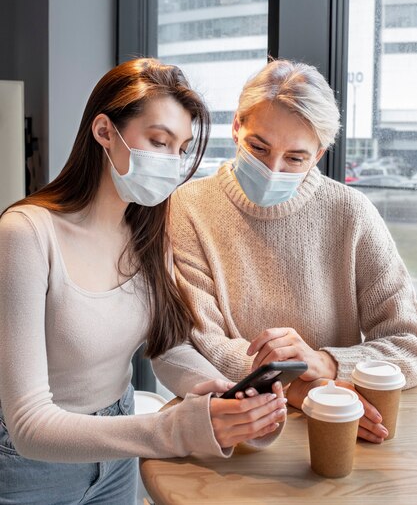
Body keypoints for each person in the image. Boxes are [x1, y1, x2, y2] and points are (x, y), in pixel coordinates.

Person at [0, 58, 287, 505]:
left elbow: (164, 346)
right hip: (33, 469)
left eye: (180, 148)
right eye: (158, 141)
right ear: (103, 131)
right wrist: (178, 429)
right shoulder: (26, 234)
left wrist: (215, 390)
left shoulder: (148, 231)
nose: (172, 163)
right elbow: (30, 427)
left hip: (119, 453)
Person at [153, 58, 417, 445]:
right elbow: (200, 342)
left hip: (338, 423)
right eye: (258, 147)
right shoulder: (187, 208)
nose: (272, 169)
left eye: (295, 158)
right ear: (237, 127)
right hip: (242, 425)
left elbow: (407, 342)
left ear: (320, 153)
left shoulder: (351, 212)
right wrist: (297, 386)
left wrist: (326, 362)